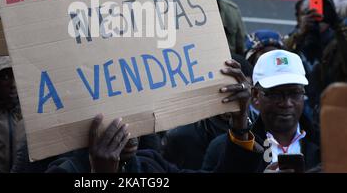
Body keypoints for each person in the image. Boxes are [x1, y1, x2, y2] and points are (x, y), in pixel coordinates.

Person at [47, 58, 262, 173]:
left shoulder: (150, 166)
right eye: (118, 117)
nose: (130, 130)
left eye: (135, 113)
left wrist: (239, 122)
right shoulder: (65, 170)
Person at [202, 50, 320, 172]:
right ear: (255, 95)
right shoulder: (222, 148)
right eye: (275, 94)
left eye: (295, 93)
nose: (286, 103)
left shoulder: (328, 144)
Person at [160, 53, 256, 170]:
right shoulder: (181, 136)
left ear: (252, 92)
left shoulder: (264, 128)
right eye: (229, 89)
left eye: (241, 91)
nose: (235, 97)